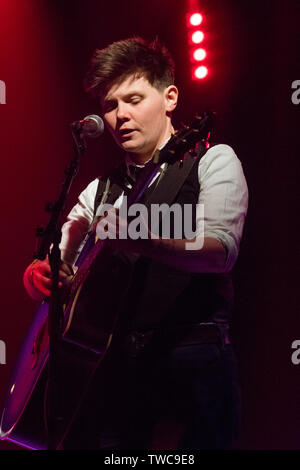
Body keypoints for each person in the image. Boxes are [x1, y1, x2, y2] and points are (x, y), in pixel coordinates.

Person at [23, 37, 248, 450]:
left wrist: (143, 241)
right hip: (114, 379)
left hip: (192, 370)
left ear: (170, 97)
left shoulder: (213, 160)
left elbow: (220, 252)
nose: (120, 115)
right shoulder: (99, 191)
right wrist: (40, 275)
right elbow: (56, 262)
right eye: (110, 106)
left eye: (134, 99)